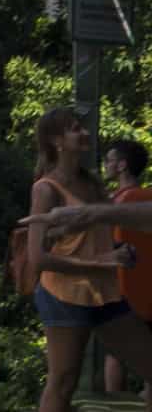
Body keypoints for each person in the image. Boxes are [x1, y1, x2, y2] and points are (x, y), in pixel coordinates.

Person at [25, 108, 152, 412]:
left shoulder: (93, 184)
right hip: (63, 296)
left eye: (81, 127)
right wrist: (103, 261)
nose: (83, 133)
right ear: (56, 141)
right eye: (74, 128)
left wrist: (121, 252)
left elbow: (109, 227)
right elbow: (38, 259)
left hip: (105, 294)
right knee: (63, 381)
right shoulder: (45, 189)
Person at [106, 139, 152, 406]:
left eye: (110, 160)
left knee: (115, 355)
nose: (107, 164)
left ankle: (116, 407)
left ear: (122, 166)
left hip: (122, 291)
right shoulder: (147, 198)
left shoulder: (115, 204)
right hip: (148, 290)